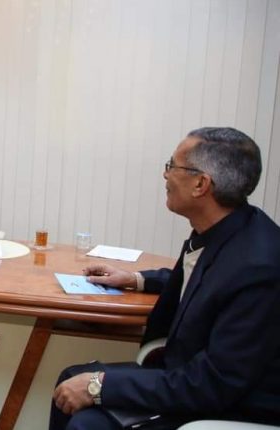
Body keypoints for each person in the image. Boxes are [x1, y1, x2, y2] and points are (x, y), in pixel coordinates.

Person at [50, 127, 280, 429]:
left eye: (172, 165)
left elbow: (214, 383)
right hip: (189, 375)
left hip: (230, 407)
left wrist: (98, 387)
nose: (165, 175)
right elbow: (207, 279)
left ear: (200, 184)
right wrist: (135, 279)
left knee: (87, 422)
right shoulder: (230, 228)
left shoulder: (260, 268)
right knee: (70, 379)